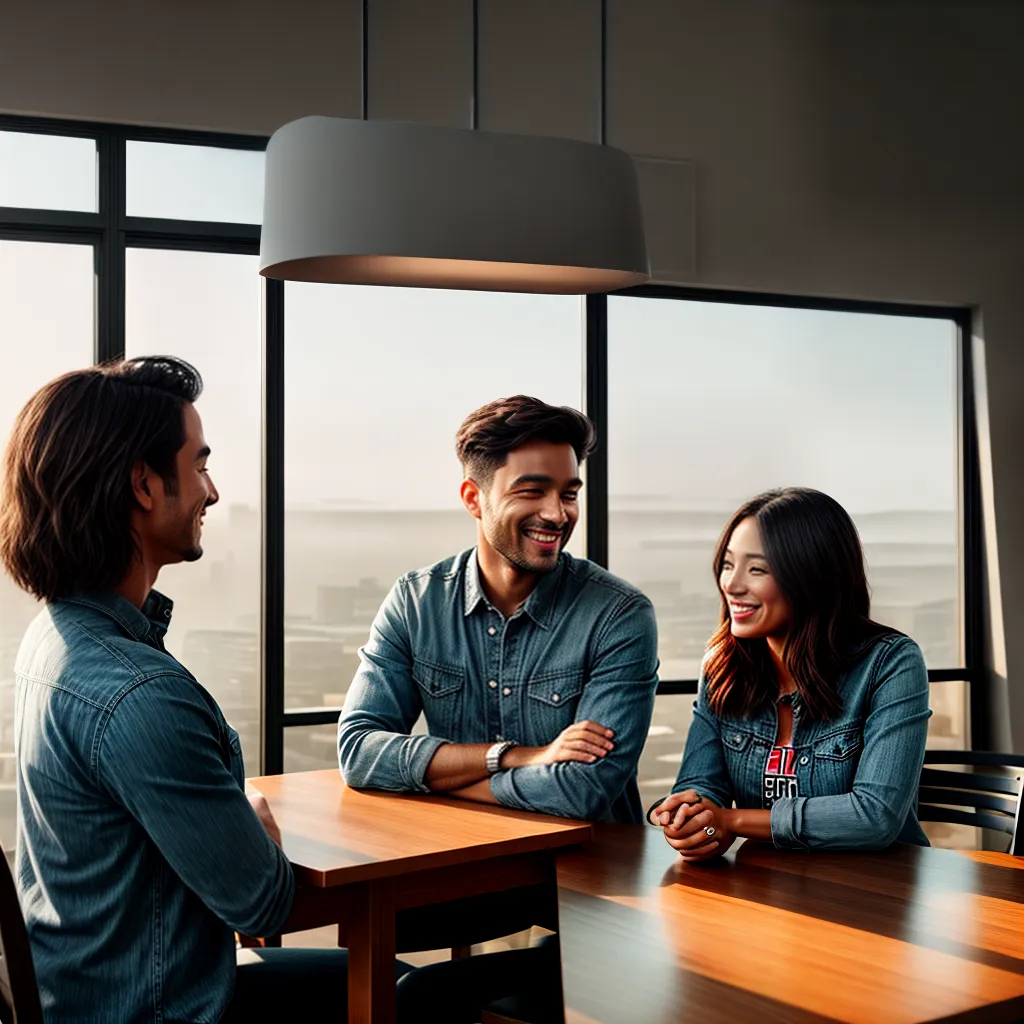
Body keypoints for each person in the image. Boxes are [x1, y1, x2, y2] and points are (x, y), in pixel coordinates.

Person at [0, 358, 403, 1022]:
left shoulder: (54, 638)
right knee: (412, 994)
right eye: (200, 466)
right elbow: (261, 902)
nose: (211, 494)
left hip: (87, 990)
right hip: (158, 1008)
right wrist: (249, 820)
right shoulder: (140, 693)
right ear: (144, 485)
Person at [338, 395, 659, 824]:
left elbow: (582, 790)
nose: (557, 514)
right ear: (473, 498)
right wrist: (516, 757)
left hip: (588, 879)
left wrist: (441, 777)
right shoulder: (416, 603)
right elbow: (359, 752)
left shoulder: (619, 616)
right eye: (531, 491)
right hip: (459, 865)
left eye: (568, 494)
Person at [649, 487, 931, 859]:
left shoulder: (891, 664)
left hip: (879, 894)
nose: (731, 585)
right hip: (767, 890)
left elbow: (875, 816)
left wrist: (731, 821)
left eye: (757, 569)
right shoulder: (722, 665)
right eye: (729, 564)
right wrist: (692, 818)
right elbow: (701, 785)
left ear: (811, 578)